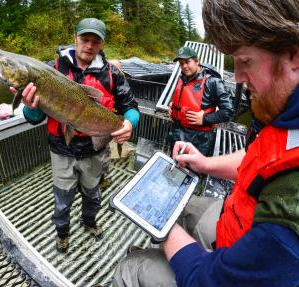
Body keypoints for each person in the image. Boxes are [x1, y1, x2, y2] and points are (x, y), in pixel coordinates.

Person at [113, 0, 299, 286]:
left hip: (233, 262)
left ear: (294, 55)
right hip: (231, 214)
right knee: (185, 207)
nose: (236, 77)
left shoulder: (288, 218)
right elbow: (259, 159)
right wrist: (204, 162)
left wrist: (161, 224)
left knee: (132, 266)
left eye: (245, 60)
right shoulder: (283, 112)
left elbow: (211, 280)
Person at [14, 18, 140, 253]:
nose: (89, 46)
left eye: (95, 41)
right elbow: (33, 118)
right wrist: (30, 106)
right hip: (62, 150)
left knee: (93, 195)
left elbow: (131, 106)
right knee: (62, 200)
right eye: (85, 39)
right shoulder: (51, 70)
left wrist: (129, 124)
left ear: (102, 44)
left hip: (95, 150)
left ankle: (89, 222)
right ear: (75, 38)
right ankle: (62, 234)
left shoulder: (112, 73)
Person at [168, 46, 233, 156]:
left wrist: (204, 119)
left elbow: (228, 111)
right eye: (181, 63)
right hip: (176, 134)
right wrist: (172, 104)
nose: (184, 66)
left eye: (187, 62)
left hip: (198, 140)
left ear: (197, 61)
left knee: (191, 172)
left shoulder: (213, 82)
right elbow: (180, 96)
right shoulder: (182, 78)